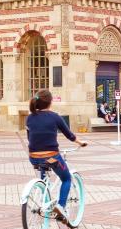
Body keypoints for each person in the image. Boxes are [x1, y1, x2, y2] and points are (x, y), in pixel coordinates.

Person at [26, 88, 88, 221]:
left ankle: (42, 192)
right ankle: (60, 206)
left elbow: (29, 137)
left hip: (33, 157)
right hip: (51, 157)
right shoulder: (55, 117)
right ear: (50, 102)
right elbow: (69, 135)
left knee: (44, 174)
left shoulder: (29, 118)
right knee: (66, 178)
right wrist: (80, 142)